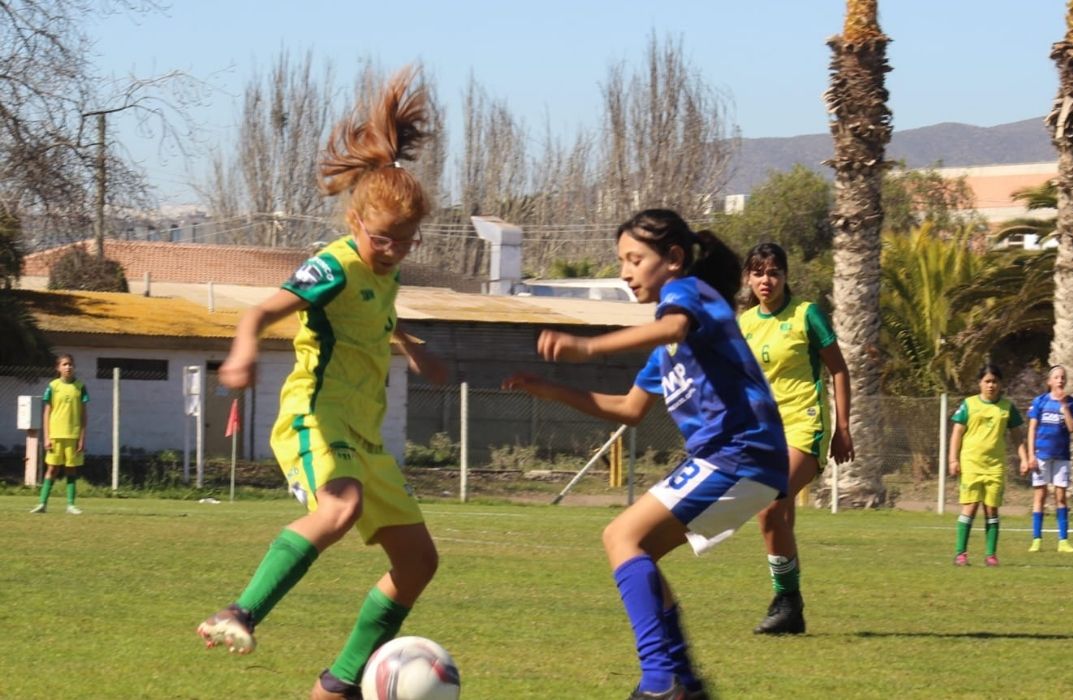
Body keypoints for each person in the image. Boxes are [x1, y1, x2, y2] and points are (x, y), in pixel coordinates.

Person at [196, 67, 448, 700]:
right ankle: (239, 611)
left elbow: (370, 321)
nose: (391, 250)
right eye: (381, 238)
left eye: (404, 241)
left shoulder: (383, 272)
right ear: (354, 221)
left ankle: (339, 682)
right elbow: (261, 311)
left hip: (363, 435)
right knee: (339, 508)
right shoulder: (331, 266)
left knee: (419, 563)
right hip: (316, 416)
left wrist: (412, 348)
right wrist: (243, 352)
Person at [504, 209, 787, 700]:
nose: (625, 271)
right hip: (731, 458)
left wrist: (589, 348)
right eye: (621, 261)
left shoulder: (689, 295)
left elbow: (674, 327)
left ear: (674, 259)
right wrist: (552, 390)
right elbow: (629, 408)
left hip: (739, 452)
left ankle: (661, 681)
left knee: (620, 535)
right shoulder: (667, 349)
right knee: (638, 554)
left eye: (635, 259)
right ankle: (686, 685)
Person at [737, 242, 853, 635]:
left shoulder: (807, 315)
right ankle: (791, 609)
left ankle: (787, 600)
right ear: (748, 278)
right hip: (764, 431)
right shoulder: (745, 323)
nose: (765, 280)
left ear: (786, 276)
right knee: (780, 516)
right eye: (758, 272)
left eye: (773, 272)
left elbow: (838, 370)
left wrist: (843, 427)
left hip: (806, 426)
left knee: (768, 505)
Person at [949, 364, 1028, 567]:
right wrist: (953, 459)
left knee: (992, 509)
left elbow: (1017, 436)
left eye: (995, 381)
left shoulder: (1007, 407)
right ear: (980, 383)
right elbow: (957, 432)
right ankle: (961, 554)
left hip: (995, 466)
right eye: (987, 381)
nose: (991, 385)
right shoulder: (969, 404)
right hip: (971, 463)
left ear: (1000, 384)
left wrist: (1025, 458)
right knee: (970, 507)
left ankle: (991, 555)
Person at [1023, 365, 1073, 553]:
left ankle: (1063, 541)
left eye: (1063, 377)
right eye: (1056, 377)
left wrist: (1064, 407)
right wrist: (1031, 455)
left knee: (1061, 497)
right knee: (1040, 496)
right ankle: (1036, 539)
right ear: (1049, 381)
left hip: (1061, 457)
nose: (1060, 380)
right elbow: (1032, 428)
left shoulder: (1072, 403)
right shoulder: (1040, 402)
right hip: (1041, 455)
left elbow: (1072, 427)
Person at [32, 354, 88, 515]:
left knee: (71, 469)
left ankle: (71, 505)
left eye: (70, 364)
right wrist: (47, 437)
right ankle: (42, 504)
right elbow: (47, 413)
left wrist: (82, 437)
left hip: (73, 435)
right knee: (52, 469)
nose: (68, 367)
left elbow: (84, 415)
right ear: (58, 368)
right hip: (56, 435)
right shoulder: (53, 386)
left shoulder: (80, 386)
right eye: (64, 364)